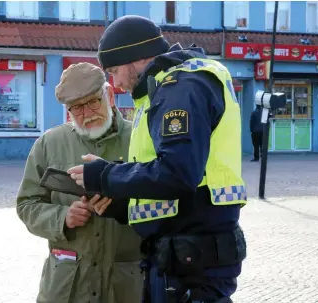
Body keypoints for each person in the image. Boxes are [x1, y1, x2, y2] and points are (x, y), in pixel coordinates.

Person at [67, 15, 247, 303]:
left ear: (135, 59)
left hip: (192, 260)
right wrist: (121, 205)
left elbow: (177, 173)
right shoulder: (164, 90)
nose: (117, 83)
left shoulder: (180, 88)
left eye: (115, 71)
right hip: (181, 254)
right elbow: (170, 178)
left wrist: (105, 176)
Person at [16, 62, 143, 303]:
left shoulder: (140, 138)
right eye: (76, 108)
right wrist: (62, 217)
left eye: (93, 102)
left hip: (126, 285)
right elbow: (27, 205)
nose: (87, 114)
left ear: (110, 96)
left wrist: (123, 204)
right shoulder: (49, 144)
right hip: (68, 287)